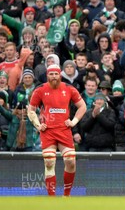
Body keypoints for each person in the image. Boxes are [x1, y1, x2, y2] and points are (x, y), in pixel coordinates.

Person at [27, 64, 87, 196]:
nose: (54, 76)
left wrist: (73, 122)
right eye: (51, 74)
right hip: (48, 131)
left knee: (70, 161)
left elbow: (82, 106)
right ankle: (52, 198)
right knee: (49, 162)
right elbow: (30, 110)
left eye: (56, 74)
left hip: (64, 130)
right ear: (47, 75)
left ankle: (66, 195)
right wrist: (38, 125)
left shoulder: (69, 89)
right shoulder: (40, 90)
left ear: (60, 75)